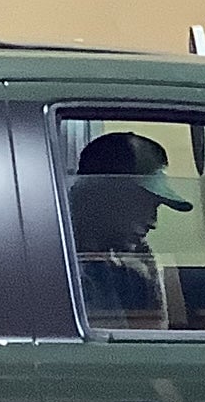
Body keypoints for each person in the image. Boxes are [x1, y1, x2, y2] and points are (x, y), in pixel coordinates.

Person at [69, 129, 193, 328]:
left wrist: (150, 275)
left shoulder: (118, 265)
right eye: (144, 204)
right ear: (105, 194)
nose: (153, 222)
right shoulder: (59, 268)